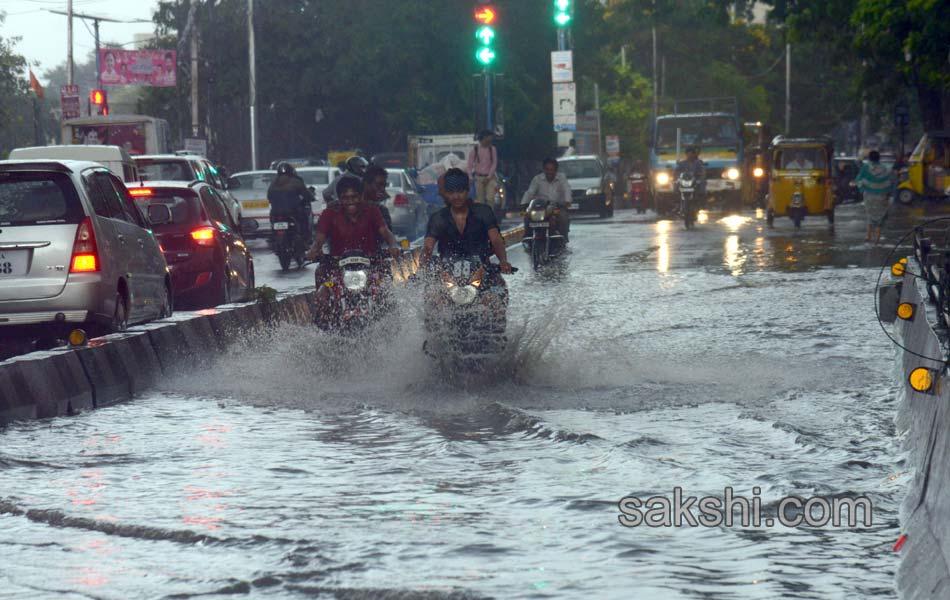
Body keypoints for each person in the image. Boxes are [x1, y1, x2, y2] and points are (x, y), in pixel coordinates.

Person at [306, 177, 401, 320]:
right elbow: (319, 239)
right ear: (339, 198)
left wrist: (393, 246)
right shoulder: (329, 214)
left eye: (354, 196)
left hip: (371, 262)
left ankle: (391, 318)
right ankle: (324, 321)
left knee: (386, 284)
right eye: (345, 197)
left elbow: (386, 232)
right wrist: (314, 250)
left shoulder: (372, 210)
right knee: (321, 281)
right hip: (336, 265)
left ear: (361, 195)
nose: (350, 201)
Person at [421, 168, 512, 273]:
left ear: (467, 191)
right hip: (447, 275)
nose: (456, 196)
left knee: (499, 288)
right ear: (445, 194)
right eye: (451, 192)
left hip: (482, 272)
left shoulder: (483, 212)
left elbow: (496, 240)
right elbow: (428, 247)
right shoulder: (438, 218)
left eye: (460, 191)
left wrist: (503, 261)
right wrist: (423, 268)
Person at [521, 158, 572, 240]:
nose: (550, 172)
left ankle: (563, 238)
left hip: (557, 207)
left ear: (556, 170)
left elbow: (567, 189)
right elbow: (530, 192)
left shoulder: (562, 178)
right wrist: (523, 203)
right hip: (540, 208)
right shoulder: (537, 179)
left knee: (563, 217)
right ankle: (528, 238)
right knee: (527, 216)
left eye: (552, 170)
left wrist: (567, 201)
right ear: (544, 170)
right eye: (547, 169)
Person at [267, 162, 315, 245]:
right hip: (293, 211)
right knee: (304, 218)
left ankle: (273, 236)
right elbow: (306, 195)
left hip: (276, 212)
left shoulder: (273, 182)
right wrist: (311, 198)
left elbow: (269, 197)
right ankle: (305, 238)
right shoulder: (296, 181)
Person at [855, 150, 891, 245]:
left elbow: (859, 179)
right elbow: (888, 183)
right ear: (879, 158)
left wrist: (862, 188)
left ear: (869, 158)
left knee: (870, 214)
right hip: (882, 196)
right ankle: (877, 239)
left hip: (869, 196)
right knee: (880, 217)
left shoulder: (866, 168)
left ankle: (868, 236)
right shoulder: (884, 169)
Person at [467, 130, 497, 205]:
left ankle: (490, 214)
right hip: (478, 178)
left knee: (490, 198)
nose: (490, 140)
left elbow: (494, 163)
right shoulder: (475, 150)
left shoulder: (492, 149)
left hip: (489, 178)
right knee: (480, 200)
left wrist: (489, 177)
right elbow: (470, 164)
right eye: (488, 138)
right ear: (483, 138)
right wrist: (470, 176)